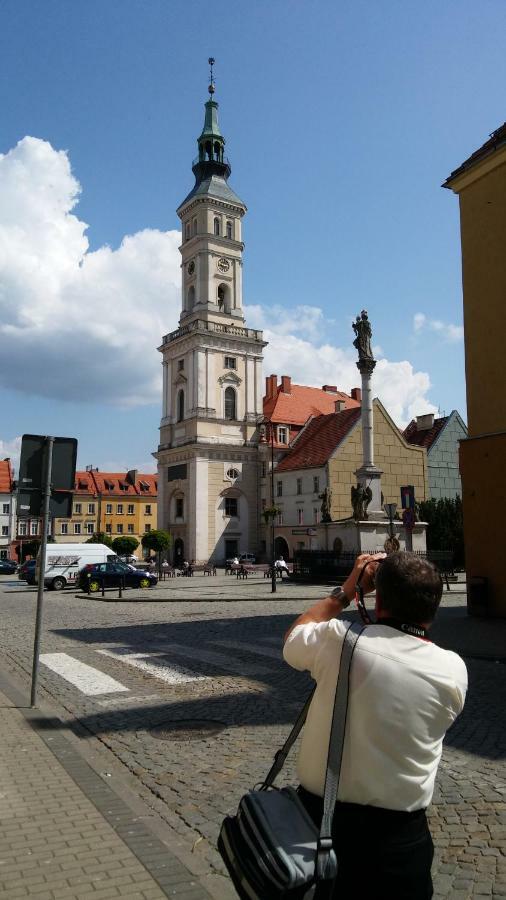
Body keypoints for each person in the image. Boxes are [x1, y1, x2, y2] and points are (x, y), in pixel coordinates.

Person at [283, 551, 467, 899]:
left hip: (317, 827)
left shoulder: (339, 641)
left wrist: (348, 590)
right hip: (401, 844)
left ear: (378, 599)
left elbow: (294, 638)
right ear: (435, 606)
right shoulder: (453, 670)